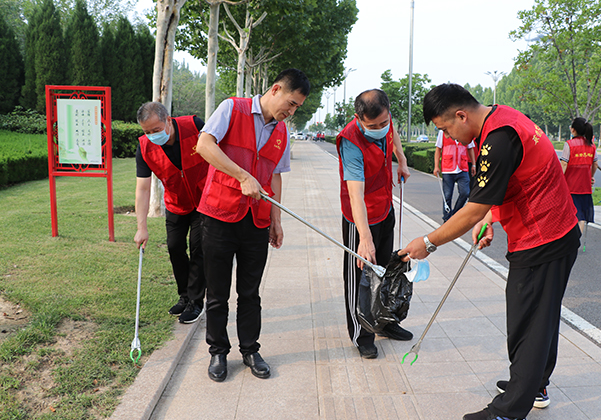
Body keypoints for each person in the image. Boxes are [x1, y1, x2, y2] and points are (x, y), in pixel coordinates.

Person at [399, 84, 580, 420]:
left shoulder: (496, 141)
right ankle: (534, 384)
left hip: (542, 238)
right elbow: (508, 181)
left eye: (446, 129)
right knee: (541, 317)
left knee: (528, 323)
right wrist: (491, 217)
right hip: (556, 230)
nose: (449, 137)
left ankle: (511, 410)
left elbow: (470, 210)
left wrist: (428, 242)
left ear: (461, 115)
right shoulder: (502, 118)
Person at [195, 68, 310, 382]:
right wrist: (242, 175)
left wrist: (276, 220)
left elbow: (275, 176)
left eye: (297, 107)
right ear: (275, 89)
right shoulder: (233, 109)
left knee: (250, 292)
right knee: (217, 292)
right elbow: (204, 145)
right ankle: (218, 351)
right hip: (219, 214)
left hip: (256, 221)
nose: (291, 111)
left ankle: (250, 349)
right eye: (291, 103)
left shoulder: (282, 132)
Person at [336, 89, 412, 359]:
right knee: (361, 278)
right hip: (360, 218)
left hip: (384, 206)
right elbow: (355, 195)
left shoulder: (386, 123)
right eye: (373, 126)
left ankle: (385, 322)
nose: (380, 129)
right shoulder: (350, 141)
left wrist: (401, 160)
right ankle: (362, 334)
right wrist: (364, 238)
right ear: (358, 118)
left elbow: (393, 135)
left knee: (386, 270)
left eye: (384, 122)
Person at [134, 102, 208, 324]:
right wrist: (141, 227)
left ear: (168, 120)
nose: (152, 136)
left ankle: (196, 302)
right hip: (176, 203)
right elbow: (143, 188)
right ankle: (184, 296)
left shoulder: (194, 126)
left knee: (198, 249)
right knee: (175, 247)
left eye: (156, 130)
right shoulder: (144, 147)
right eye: (147, 132)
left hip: (204, 201)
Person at [560, 117, 597, 233]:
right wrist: (590, 176)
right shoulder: (591, 145)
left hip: (570, 187)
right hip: (585, 188)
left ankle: (572, 240)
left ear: (573, 130)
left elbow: (564, 163)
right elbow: (595, 164)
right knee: (581, 216)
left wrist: (558, 180)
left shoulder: (569, 145)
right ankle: (577, 239)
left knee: (570, 215)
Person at [433, 129, 476, 221]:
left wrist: (473, 165)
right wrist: (436, 166)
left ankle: (455, 214)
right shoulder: (443, 132)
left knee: (465, 193)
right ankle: (446, 219)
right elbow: (438, 149)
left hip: (462, 168)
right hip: (447, 169)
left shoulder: (465, 130)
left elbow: (470, 148)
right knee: (447, 196)